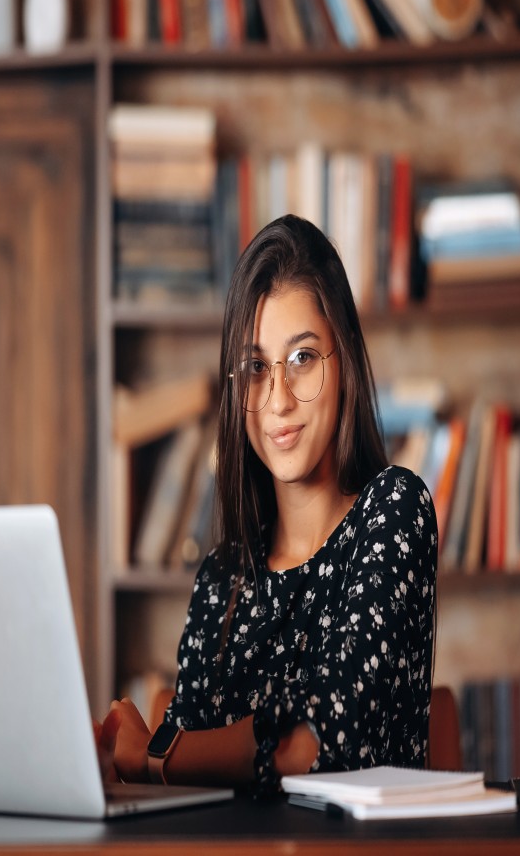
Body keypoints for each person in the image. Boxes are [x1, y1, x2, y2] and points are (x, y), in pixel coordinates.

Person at [97, 215, 438, 791]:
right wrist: (133, 753)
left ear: (345, 361)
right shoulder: (222, 577)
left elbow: (321, 747)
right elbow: (184, 780)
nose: (277, 399)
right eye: (256, 368)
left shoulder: (395, 510)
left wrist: (151, 755)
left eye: (303, 358)